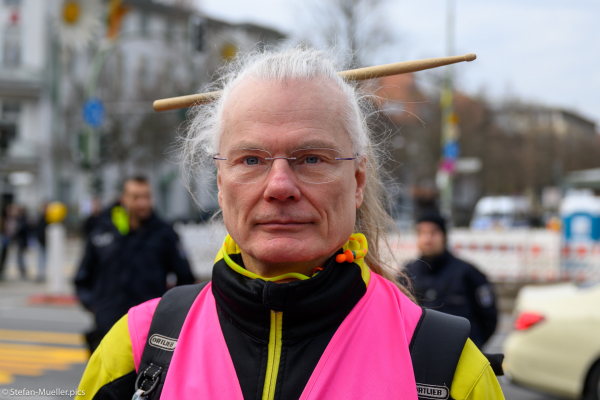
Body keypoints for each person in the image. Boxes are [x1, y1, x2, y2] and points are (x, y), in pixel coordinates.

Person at [76, 47, 504, 399]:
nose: (280, 186)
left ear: (357, 181)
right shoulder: (138, 347)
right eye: (251, 160)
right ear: (221, 186)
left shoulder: (448, 369)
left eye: (311, 158)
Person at [74, 176, 195, 353]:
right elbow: (83, 277)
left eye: (146, 197)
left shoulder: (164, 234)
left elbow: (185, 277)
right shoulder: (103, 230)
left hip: (149, 330)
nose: (142, 203)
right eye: (136, 197)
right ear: (124, 199)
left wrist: (167, 311)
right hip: (108, 327)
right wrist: (95, 307)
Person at [404, 211, 498, 348]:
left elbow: (488, 319)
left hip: (461, 356)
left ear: (444, 236)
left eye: (433, 233)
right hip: (418, 359)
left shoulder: (467, 273)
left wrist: (471, 349)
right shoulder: (407, 273)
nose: (427, 239)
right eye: (422, 233)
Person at [35, 202, 48, 282]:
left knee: (43, 258)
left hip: (45, 241)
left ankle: (42, 274)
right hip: (41, 241)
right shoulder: (41, 217)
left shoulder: (48, 218)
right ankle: (40, 274)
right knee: (41, 258)